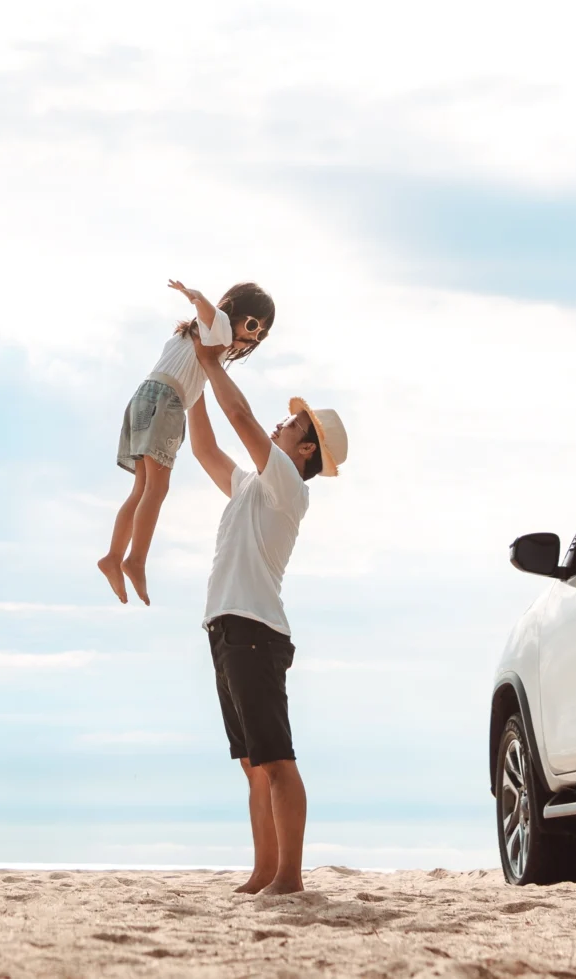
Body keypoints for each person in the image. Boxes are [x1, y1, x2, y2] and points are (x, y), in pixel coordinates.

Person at [187, 344, 348, 896]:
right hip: (228, 630)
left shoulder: (288, 484)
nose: (281, 421)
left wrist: (211, 362)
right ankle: (264, 873)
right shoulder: (252, 486)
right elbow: (206, 447)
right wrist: (191, 383)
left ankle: (289, 878)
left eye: (293, 422)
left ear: (305, 448)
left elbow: (240, 418)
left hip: (255, 634)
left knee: (277, 761)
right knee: (254, 766)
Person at [96, 278, 275, 605]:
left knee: (141, 489)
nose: (253, 336)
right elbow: (214, 316)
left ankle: (113, 555)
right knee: (157, 488)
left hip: (144, 398)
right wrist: (198, 297)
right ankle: (135, 560)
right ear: (234, 311)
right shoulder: (217, 330)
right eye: (252, 325)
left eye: (261, 334)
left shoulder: (187, 336)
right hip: (167, 402)